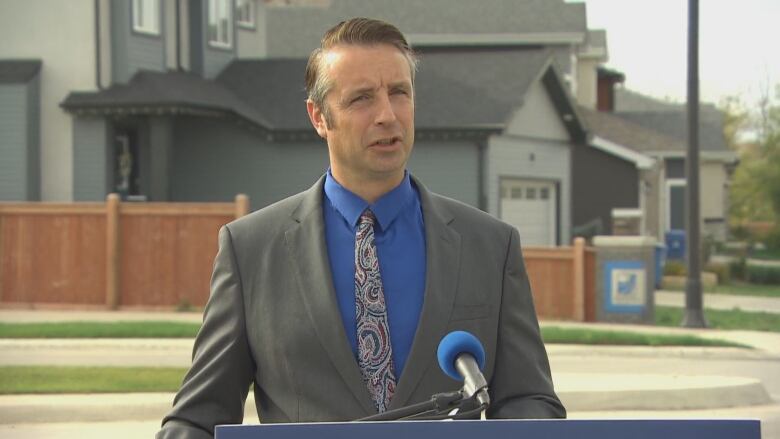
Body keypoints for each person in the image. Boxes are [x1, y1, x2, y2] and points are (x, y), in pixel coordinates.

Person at [157, 17, 565, 438]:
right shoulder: (250, 252)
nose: (387, 115)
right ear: (319, 117)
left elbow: (528, 397)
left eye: (399, 93)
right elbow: (197, 418)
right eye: (362, 99)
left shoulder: (490, 246)